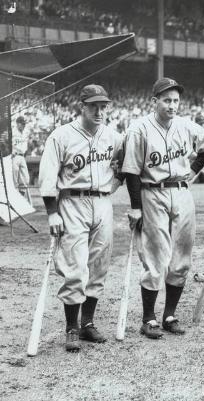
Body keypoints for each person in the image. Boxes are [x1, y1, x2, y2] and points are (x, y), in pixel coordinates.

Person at [121, 77, 204, 339]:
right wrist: (136, 207)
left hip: (182, 193)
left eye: (175, 101)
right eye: (166, 100)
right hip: (153, 193)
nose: (172, 105)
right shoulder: (140, 129)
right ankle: (148, 318)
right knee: (155, 258)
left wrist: (193, 170)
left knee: (181, 260)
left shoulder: (186, 125)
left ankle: (169, 315)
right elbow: (132, 171)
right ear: (154, 101)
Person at [38, 84, 124, 352]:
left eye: (103, 106)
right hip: (72, 201)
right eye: (94, 106)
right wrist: (52, 212)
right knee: (76, 266)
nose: (99, 111)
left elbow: (127, 164)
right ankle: (72, 327)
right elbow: (48, 176)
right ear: (82, 106)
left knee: (98, 265)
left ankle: (87, 323)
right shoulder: (61, 136)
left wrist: (117, 182)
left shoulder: (114, 136)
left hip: (102, 202)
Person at [11, 115, 31, 194]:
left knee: (26, 178)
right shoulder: (12, 131)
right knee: (14, 176)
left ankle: (21, 194)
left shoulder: (25, 132)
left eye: (24, 124)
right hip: (14, 155)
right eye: (22, 124)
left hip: (22, 156)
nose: (24, 125)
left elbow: (25, 146)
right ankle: (14, 193)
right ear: (17, 123)